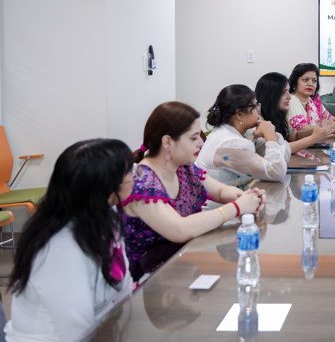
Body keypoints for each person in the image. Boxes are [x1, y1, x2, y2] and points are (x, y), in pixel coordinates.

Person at [5, 139, 134, 341]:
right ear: (108, 187)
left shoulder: (106, 215)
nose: (134, 177)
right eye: (130, 173)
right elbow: (76, 329)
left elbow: (123, 285)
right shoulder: (58, 248)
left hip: (104, 327)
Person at [121, 101, 266, 282]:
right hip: (148, 280)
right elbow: (180, 229)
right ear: (167, 142)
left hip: (179, 266)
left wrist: (246, 198)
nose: (201, 143)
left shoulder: (183, 167)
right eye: (193, 138)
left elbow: (219, 191)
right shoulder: (142, 183)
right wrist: (237, 207)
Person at [196, 84, 288, 186]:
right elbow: (277, 172)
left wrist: (270, 135)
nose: (258, 111)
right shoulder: (230, 143)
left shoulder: (242, 132)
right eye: (255, 107)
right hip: (217, 197)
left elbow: (284, 155)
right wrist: (270, 135)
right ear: (239, 115)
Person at [255, 72, 335, 154]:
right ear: (270, 95)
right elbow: (277, 151)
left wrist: (321, 129)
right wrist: (314, 137)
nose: (289, 97)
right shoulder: (258, 120)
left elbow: (293, 137)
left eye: (314, 81)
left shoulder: (279, 114)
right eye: (283, 92)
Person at [286, 63, 335, 138]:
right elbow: (302, 129)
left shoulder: (314, 101)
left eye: (314, 81)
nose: (310, 84)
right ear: (295, 83)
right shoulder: (291, 101)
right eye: (305, 80)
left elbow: (330, 120)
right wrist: (330, 127)